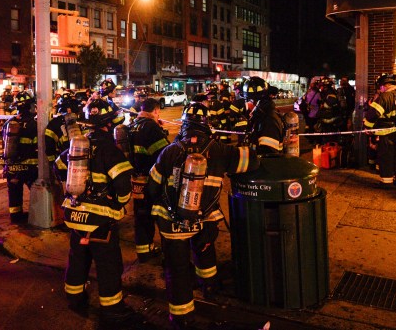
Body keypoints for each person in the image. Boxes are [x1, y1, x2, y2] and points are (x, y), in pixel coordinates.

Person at [146, 102, 259, 329]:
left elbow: (152, 187)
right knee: (205, 252)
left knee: (177, 270)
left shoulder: (169, 151)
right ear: (207, 125)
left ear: (184, 124)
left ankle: (182, 317)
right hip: (204, 220)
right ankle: (209, 287)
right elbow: (252, 161)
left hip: (172, 224)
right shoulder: (219, 150)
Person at [55, 98, 139, 326]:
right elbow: (123, 183)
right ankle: (112, 309)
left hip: (75, 215)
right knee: (108, 264)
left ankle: (74, 296)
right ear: (108, 124)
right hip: (101, 221)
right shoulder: (109, 149)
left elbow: (58, 166)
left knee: (78, 258)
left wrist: (73, 189)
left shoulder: (77, 144)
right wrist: (119, 203)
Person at [128, 97, 169, 262]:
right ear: (156, 110)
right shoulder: (151, 127)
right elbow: (165, 154)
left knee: (141, 215)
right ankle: (168, 251)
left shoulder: (132, 126)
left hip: (135, 180)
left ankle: (143, 251)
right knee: (159, 215)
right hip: (151, 179)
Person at [0, 91, 39, 224]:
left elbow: (3, 144)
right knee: (36, 191)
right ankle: (38, 215)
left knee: (14, 192)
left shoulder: (9, 123)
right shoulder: (35, 124)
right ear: (30, 106)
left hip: (12, 166)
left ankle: (15, 217)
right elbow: (37, 145)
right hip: (30, 166)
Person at [362, 74, 396, 188]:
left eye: (380, 87)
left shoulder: (384, 97)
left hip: (386, 133)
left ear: (384, 85)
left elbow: (373, 115)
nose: (380, 89)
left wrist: (367, 127)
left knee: (386, 156)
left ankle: (386, 182)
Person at [241, 76, 285, 156]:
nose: (246, 104)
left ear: (255, 101)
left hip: (265, 167)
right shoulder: (261, 116)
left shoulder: (268, 120)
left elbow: (269, 156)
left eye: (247, 100)